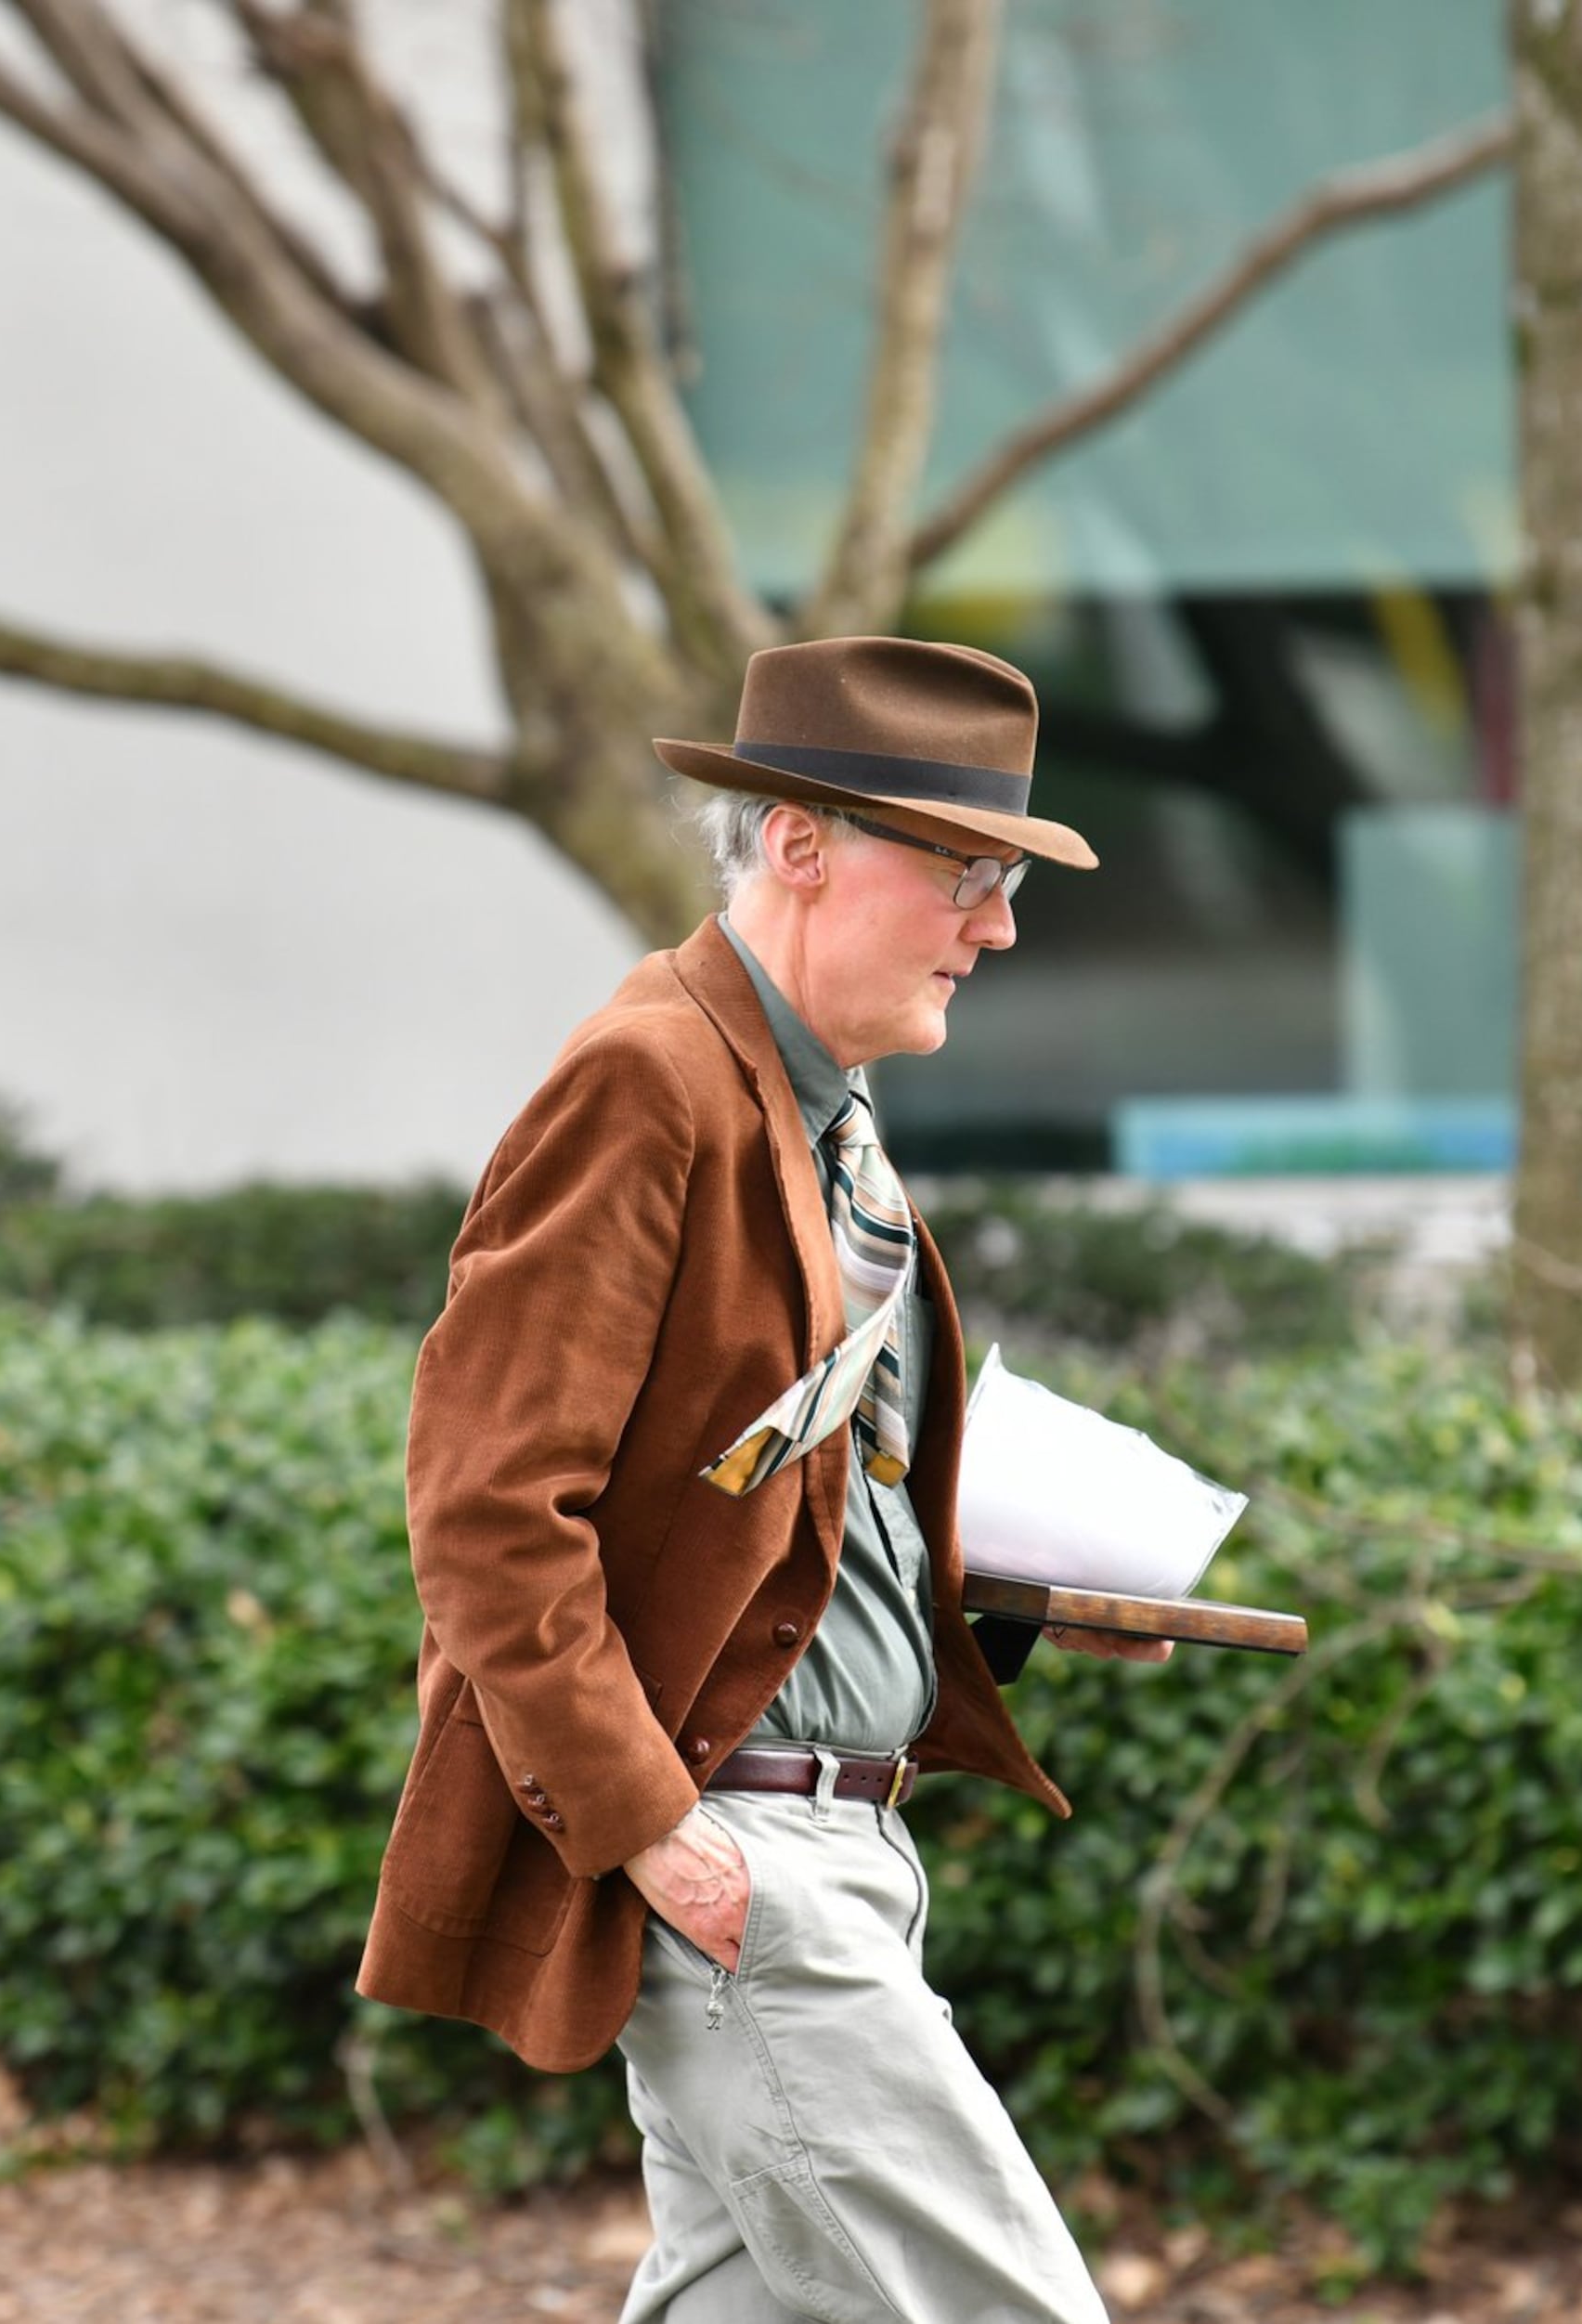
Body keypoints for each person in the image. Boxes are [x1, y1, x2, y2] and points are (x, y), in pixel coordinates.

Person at [357, 635, 1168, 2321]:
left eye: (1007, 878)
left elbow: (788, 1510)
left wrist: (1014, 1607)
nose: (999, 925)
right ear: (799, 842)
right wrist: (657, 1835)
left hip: (827, 1850)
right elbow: (490, 1512)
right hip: (748, 1869)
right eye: (966, 870)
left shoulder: (819, 1110)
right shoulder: (650, 1082)